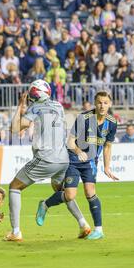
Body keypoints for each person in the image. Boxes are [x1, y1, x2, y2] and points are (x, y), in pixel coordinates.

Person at [36, 91, 119, 240]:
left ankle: (98, 230)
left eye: (105, 103)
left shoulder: (112, 122)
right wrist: (78, 151)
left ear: (110, 104)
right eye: (99, 102)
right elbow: (70, 141)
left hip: (91, 162)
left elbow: (107, 147)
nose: (102, 105)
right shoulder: (84, 118)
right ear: (95, 103)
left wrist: (107, 167)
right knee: (70, 195)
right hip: (73, 159)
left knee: (90, 192)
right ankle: (45, 205)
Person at [5, 80, 69, 242]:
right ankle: (84, 225)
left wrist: (20, 106)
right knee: (64, 192)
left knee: (14, 187)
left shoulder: (35, 108)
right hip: (63, 158)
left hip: (46, 158)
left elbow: (14, 128)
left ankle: (16, 231)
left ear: (34, 94)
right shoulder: (59, 106)